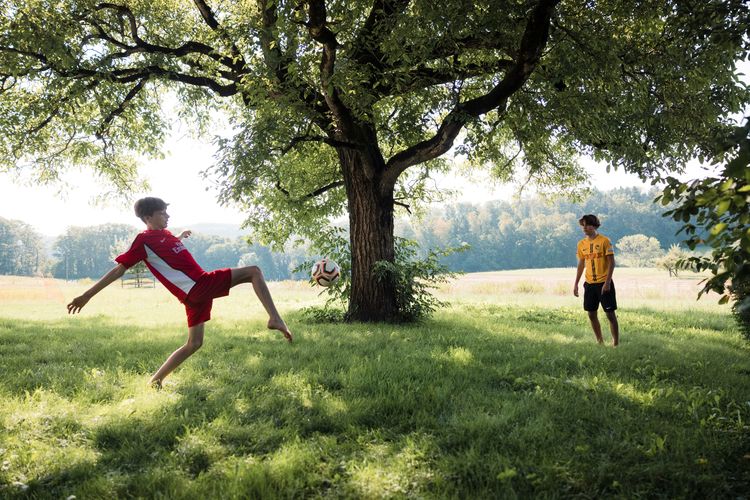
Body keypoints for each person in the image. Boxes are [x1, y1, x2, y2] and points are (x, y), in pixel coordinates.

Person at [67, 197, 293, 388]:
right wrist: (86, 295)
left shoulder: (164, 235)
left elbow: (165, 248)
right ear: (148, 218)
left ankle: (155, 381)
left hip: (192, 295)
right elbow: (119, 269)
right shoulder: (143, 241)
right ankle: (274, 317)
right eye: (162, 213)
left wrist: (179, 237)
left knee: (194, 343)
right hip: (199, 285)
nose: (167, 217)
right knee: (253, 271)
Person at [573, 214, 619, 346]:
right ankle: (600, 342)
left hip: (604, 283)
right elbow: (581, 264)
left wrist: (607, 282)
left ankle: (616, 344)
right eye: (583, 225)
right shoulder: (581, 244)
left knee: (610, 314)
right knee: (591, 314)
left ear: (594, 225)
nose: (584, 228)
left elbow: (611, 263)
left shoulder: (605, 241)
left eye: (587, 225)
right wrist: (576, 284)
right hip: (589, 284)